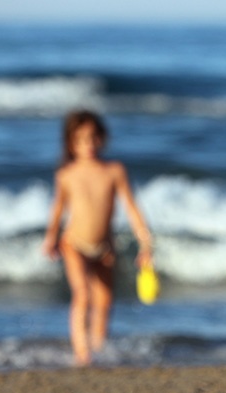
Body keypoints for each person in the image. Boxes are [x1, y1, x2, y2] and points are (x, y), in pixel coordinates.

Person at [43, 109, 155, 366]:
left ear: (102, 138)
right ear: (71, 143)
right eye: (81, 139)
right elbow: (57, 210)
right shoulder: (66, 174)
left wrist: (145, 242)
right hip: (74, 244)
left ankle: (98, 345)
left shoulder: (113, 170)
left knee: (104, 300)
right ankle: (82, 353)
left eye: (93, 138)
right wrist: (51, 238)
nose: (89, 144)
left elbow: (131, 207)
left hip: (105, 246)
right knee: (82, 294)